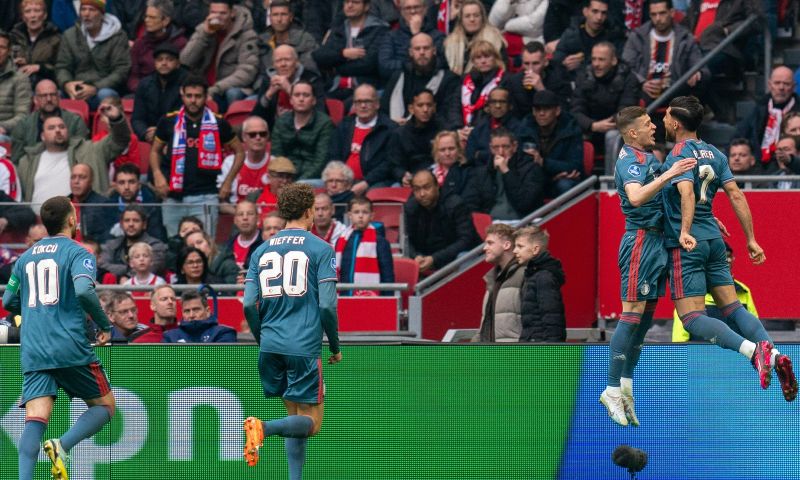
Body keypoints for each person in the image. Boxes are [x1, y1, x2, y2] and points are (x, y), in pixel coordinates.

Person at [662, 95, 797, 402]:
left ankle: (753, 352)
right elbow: (735, 195)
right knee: (733, 307)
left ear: (677, 123)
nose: (663, 121)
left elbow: (685, 193)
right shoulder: (713, 152)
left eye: (667, 117)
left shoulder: (677, 155)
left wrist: (684, 230)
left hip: (690, 243)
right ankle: (774, 356)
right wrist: (750, 238)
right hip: (714, 240)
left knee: (691, 318)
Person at [2, 195, 115, 480]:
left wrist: (34, 311)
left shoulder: (25, 258)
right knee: (104, 407)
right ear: (72, 220)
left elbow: (8, 299)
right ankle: (62, 445)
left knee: (35, 420)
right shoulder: (79, 253)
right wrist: (103, 324)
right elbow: (84, 291)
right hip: (68, 345)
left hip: (34, 347)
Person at [599, 105, 697, 427]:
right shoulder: (629, 161)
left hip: (657, 244)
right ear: (632, 133)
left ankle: (626, 385)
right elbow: (637, 197)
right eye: (646, 124)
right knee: (630, 313)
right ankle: (611, 388)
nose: (654, 127)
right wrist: (669, 174)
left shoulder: (649, 160)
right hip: (640, 242)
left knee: (645, 318)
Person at [241, 182, 342, 480]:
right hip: (304, 346)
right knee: (312, 423)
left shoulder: (260, 251)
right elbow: (327, 306)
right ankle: (263, 428)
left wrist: (263, 339)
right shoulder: (321, 249)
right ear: (310, 209)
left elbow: (248, 304)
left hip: (271, 344)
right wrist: (335, 346)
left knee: (294, 417)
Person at [151, 75, 245, 238]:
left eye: (198, 96)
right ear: (182, 95)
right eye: (189, 96)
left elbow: (240, 152)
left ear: (205, 97)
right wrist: (158, 175)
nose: (193, 101)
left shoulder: (218, 123)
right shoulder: (168, 121)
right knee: (175, 247)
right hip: (173, 197)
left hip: (206, 196)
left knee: (207, 246)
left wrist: (228, 182)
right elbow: (154, 151)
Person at [17, 101, 129, 207]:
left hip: (83, 221)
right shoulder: (27, 162)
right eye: (51, 128)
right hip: (39, 223)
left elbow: (119, 141)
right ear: (42, 136)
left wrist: (117, 120)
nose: (58, 130)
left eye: (62, 127)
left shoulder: (91, 150)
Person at [571, 41, 638, 174]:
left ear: (613, 61)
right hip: (590, 127)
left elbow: (627, 110)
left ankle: (610, 185)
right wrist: (592, 125)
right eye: (594, 59)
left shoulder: (628, 78)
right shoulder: (583, 76)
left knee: (612, 136)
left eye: (601, 60)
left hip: (616, 127)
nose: (596, 64)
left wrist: (608, 124)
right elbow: (575, 110)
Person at [179, 0, 258, 111]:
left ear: (232, 13)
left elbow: (247, 71)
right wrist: (204, 36)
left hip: (224, 88)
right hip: (200, 87)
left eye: (222, 13)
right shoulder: (203, 29)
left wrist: (216, 89)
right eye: (213, 12)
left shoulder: (246, 35)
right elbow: (185, 60)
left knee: (232, 94)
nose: (217, 17)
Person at [672, 242, 760, 341]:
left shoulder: (743, 290)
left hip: (737, 355)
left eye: (729, 256)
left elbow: (754, 331)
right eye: (722, 257)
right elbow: (679, 340)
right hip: (700, 355)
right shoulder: (691, 292)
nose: (727, 260)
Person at [55, 0, 130, 109]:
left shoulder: (117, 36)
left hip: (102, 89)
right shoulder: (69, 35)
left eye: (92, 10)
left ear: (101, 14)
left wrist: (95, 87)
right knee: (52, 95)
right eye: (83, 9)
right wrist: (67, 84)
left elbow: (121, 70)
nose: (86, 14)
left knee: (105, 95)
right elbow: (62, 66)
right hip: (76, 88)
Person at [405, 169, 481, 273]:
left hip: (455, 256)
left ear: (437, 186)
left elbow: (466, 240)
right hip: (426, 257)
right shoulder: (411, 207)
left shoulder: (455, 204)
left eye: (427, 187)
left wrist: (435, 259)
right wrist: (416, 256)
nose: (422, 194)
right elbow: (405, 239)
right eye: (417, 189)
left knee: (463, 257)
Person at [311, 0, 389, 101]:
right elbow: (319, 56)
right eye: (346, 2)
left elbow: (369, 64)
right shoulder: (338, 29)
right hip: (336, 86)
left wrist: (335, 67)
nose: (350, 5)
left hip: (367, 87)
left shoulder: (379, 30)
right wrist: (343, 54)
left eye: (355, 2)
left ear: (366, 7)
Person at [381, 32, 461, 130]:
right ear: (410, 52)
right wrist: (393, 123)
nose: (422, 52)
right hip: (398, 134)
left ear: (434, 51)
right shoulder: (398, 77)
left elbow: (449, 115)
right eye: (417, 49)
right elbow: (382, 112)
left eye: (426, 48)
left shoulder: (449, 79)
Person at [327, 83, 397, 193]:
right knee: (304, 186)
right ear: (354, 105)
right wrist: (338, 179)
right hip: (343, 180)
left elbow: (389, 163)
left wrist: (366, 182)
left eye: (367, 101)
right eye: (359, 102)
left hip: (373, 182)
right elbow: (333, 155)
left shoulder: (388, 128)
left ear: (377, 104)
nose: (363, 106)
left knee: (374, 194)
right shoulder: (344, 125)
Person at [463, 127, 545, 219]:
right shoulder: (482, 172)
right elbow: (471, 203)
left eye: (505, 147)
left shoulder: (531, 169)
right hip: (491, 225)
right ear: (490, 148)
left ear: (514, 147)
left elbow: (524, 204)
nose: (501, 152)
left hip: (522, 223)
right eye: (496, 147)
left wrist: (506, 171)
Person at [517, 89, 584, 196]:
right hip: (535, 179)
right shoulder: (525, 129)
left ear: (557, 111)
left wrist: (543, 162)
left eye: (546, 109)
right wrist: (550, 177)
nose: (541, 113)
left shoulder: (571, 129)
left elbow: (575, 166)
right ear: (533, 112)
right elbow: (520, 164)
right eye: (538, 109)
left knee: (565, 184)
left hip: (561, 181)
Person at [11, 79, 89, 164]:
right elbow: (17, 160)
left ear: (59, 98)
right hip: (33, 172)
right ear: (35, 100)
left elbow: (81, 156)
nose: (49, 99)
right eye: (43, 96)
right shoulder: (23, 125)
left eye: (52, 95)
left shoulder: (75, 122)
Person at [270, 81, 334, 182]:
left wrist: (298, 182)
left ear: (313, 101)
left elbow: (320, 162)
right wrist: (285, 178)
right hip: (285, 176)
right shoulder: (281, 122)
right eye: (297, 95)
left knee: (300, 187)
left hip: (314, 179)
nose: (301, 99)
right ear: (291, 100)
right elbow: (277, 155)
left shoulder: (325, 123)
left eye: (306, 95)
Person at [736, 66, 800, 164]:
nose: (781, 88)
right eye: (777, 83)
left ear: (793, 87)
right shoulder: (760, 108)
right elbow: (739, 136)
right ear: (770, 85)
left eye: (786, 84)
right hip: (760, 165)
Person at [252, 44, 325, 130]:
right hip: (276, 133)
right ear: (274, 65)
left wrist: (290, 90)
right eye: (278, 61)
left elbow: (320, 115)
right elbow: (255, 118)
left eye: (287, 59)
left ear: (296, 62)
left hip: (305, 132)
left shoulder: (312, 80)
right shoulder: (269, 80)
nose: (283, 64)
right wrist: (268, 95)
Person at [513, 225, 566, 342]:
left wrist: (551, 352)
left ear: (535, 249)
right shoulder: (533, 274)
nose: (514, 251)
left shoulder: (543, 277)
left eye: (520, 246)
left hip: (539, 348)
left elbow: (552, 318)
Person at [473, 223, 525, 342]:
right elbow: (485, 324)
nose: (485, 248)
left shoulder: (525, 274)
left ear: (506, 245)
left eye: (490, 243)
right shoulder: (492, 279)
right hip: (490, 355)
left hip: (515, 356)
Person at [334, 196, 395, 295]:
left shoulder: (381, 242)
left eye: (365, 212)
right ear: (350, 215)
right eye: (356, 212)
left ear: (372, 216)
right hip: (343, 296)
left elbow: (387, 277)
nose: (360, 216)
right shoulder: (341, 240)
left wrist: (386, 301)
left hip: (371, 299)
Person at [132, 42, 188, 142]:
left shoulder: (187, 84)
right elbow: (137, 119)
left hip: (178, 137)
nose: (164, 63)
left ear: (178, 64)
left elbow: (187, 118)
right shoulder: (145, 84)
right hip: (149, 137)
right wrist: (144, 133)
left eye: (169, 59)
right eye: (160, 59)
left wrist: (159, 133)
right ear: (155, 63)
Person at [127, 0, 187, 94]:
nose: (146, 20)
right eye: (146, 16)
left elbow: (182, 74)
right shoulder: (140, 43)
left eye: (152, 17)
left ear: (166, 21)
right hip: (143, 92)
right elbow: (133, 75)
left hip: (171, 93)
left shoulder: (179, 43)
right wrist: (142, 89)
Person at [377, 0, 445, 81]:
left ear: (425, 9)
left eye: (416, 7)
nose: (413, 11)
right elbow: (384, 68)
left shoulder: (438, 36)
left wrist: (417, 34)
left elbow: (442, 64)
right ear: (401, 12)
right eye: (408, 8)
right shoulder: (391, 36)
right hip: (400, 84)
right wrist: (417, 65)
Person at [501, 41, 572, 119]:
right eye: (526, 64)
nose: (530, 69)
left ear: (545, 62)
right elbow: (513, 115)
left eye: (535, 63)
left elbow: (565, 113)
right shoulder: (514, 82)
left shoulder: (559, 79)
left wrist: (542, 90)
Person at [553, 0, 624, 74]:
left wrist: (582, 65)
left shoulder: (614, 36)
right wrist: (564, 63)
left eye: (603, 13)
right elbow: (557, 60)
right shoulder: (571, 34)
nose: (599, 17)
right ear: (585, 12)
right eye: (595, 11)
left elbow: (619, 65)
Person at [388, 89, 442, 185]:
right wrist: (402, 176)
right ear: (411, 109)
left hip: (438, 178)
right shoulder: (399, 134)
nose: (425, 110)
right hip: (410, 179)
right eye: (420, 105)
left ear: (434, 107)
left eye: (429, 105)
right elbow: (394, 164)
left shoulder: (442, 131)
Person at [99, 204, 168, 278]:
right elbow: (102, 265)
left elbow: (149, 269)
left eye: (136, 221)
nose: (131, 224)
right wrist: (127, 268)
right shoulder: (111, 245)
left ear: (144, 224)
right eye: (127, 220)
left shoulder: (155, 246)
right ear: (121, 224)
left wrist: (127, 277)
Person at [218, 116, 272, 207]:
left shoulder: (275, 164)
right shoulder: (230, 162)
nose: (258, 138)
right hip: (237, 215)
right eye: (252, 134)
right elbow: (221, 201)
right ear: (243, 137)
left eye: (262, 134)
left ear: (268, 136)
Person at [256, 1, 319, 78]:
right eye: (275, 15)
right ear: (270, 18)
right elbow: (257, 73)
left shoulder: (305, 39)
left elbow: (309, 70)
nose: (279, 19)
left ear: (291, 17)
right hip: (267, 86)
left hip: (297, 85)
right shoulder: (262, 41)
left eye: (283, 14)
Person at [443, 0, 505, 76]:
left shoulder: (495, 40)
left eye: (476, 15)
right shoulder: (450, 42)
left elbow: (501, 68)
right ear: (461, 20)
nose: (472, 19)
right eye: (467, 16)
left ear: (482, 18)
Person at [108, 163, 167, 242]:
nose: (126, 187)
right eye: (122, 183)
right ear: (116, 186)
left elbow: (157, 237)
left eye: (131, 182)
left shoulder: (152, 204)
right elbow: (104, 239)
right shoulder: (107, 205)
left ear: (139, 184)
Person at [9, 0, 62, 86]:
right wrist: (12, 63)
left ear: (45, 15)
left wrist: (40, 68)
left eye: (37, 11)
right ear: (23, 17)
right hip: (17, 84)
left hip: (45, 85)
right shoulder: (13, 37)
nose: (33, 15)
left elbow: (62, 69)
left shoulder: (56, 38)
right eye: (27, 11)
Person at [464, 86, 520, 165]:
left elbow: (518, 157)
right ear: (488, 106)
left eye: (502, 102)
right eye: (494, 102)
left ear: (510, 105)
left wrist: (481, 155)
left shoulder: (519, 129)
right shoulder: (478, 130)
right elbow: (470, 157)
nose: (498, 106)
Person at [459, 40, 506, 127]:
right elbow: (455, 108)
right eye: (478, 57)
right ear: (473, 61)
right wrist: (458, 128)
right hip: (464, 129)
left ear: (495, 58)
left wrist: (476, 131)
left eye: (487, 56)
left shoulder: (505, 79)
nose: (483, 61)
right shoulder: (464, 79)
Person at [163, 290, 237, 342]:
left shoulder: (224, 333)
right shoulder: (170, 336)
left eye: (196, 310)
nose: (191, 315)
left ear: (207, 311)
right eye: (187, 311)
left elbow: (222, 362)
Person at [0, 31, 34, 138]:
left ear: (9, 51)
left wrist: (3, 126)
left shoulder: (20, 78)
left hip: (6, 134)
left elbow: (23, 116)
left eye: (2, 47)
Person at [68, 163, 112, 243]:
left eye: (82, 177)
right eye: (73, 177)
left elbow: (109, 237)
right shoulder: (62, 205)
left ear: (91, 181)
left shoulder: (103, 204)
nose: (76, 181)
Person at [223, 200, 264, 268]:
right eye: (240, 214)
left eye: (250, 213)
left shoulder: (265, 243)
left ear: (258, 218)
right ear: (235, 220)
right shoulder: (227, 246)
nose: (245, 218)